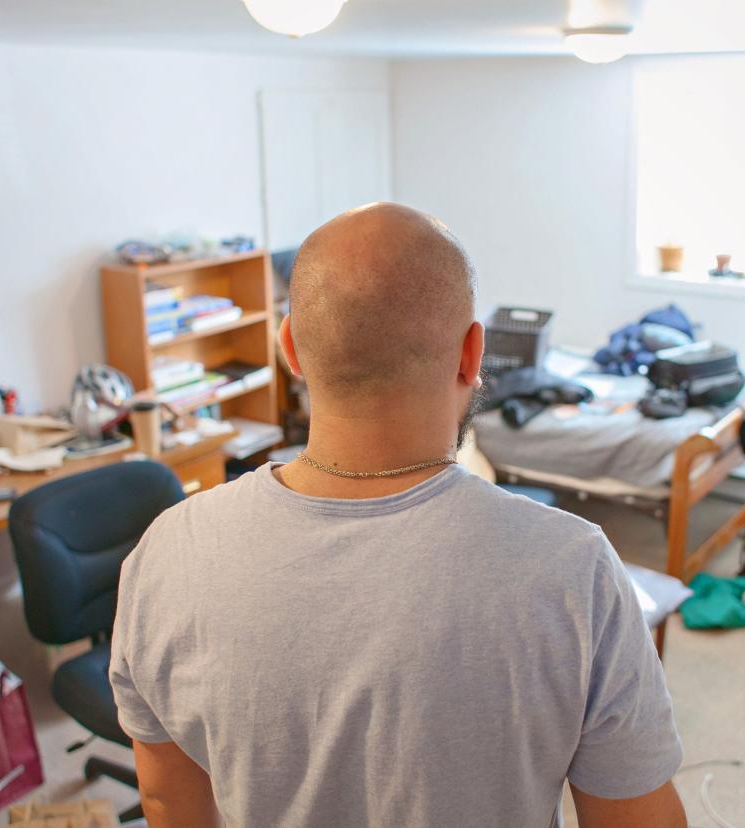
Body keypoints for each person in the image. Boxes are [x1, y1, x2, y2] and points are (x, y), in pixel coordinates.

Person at [110, 203, 685, 827]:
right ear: (472, 353)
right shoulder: (576, 569)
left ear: (290, 351)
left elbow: (168, 801)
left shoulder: (167, 550)